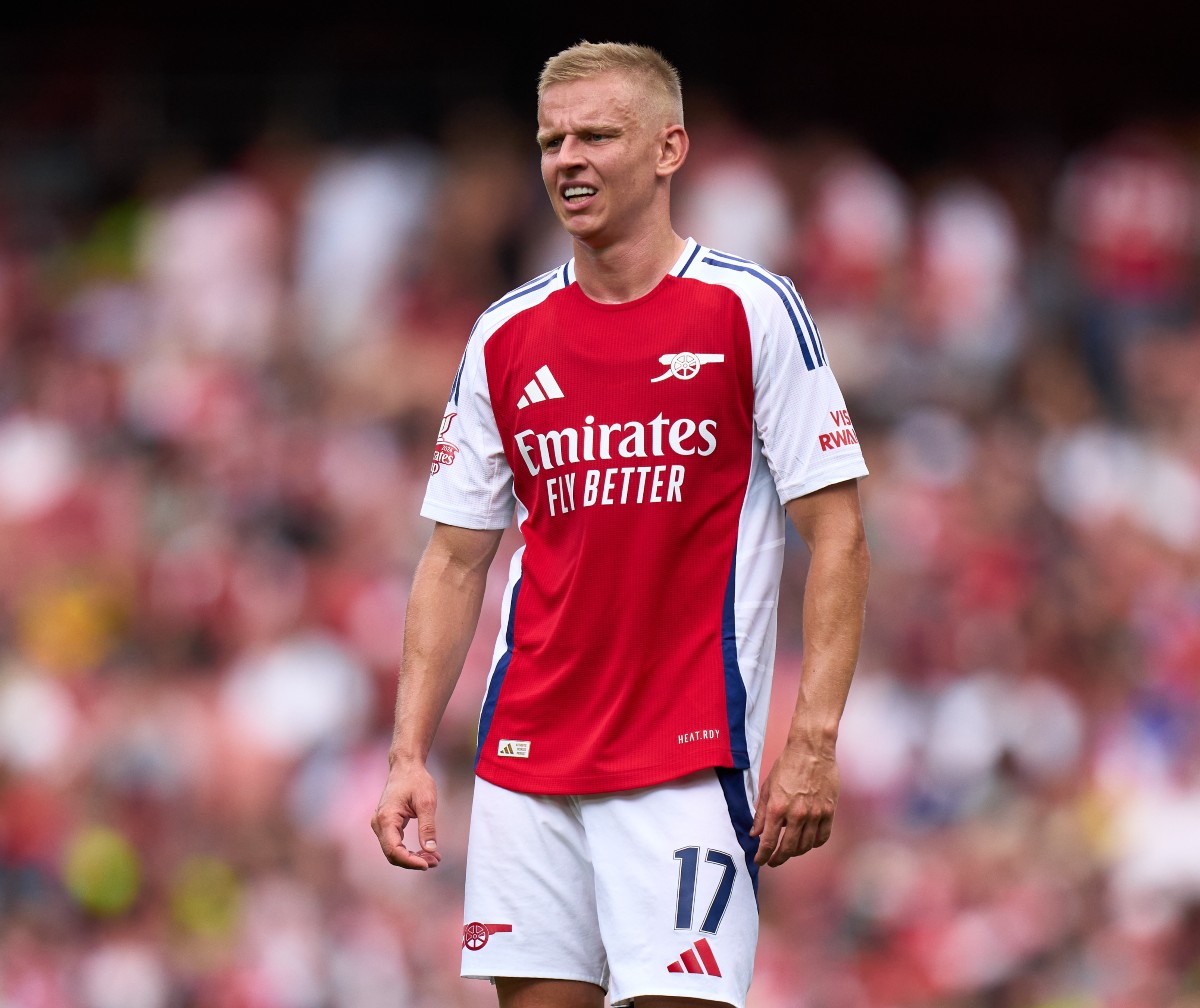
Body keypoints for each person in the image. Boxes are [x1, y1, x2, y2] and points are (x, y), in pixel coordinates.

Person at [372, 41, 870, 1008]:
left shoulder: (751, 311)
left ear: (670, 148)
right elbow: (455, 558)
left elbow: (840, 533)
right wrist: (408, 752)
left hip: (684, 760)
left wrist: (812, 739)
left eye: (598, 134)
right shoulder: (504, 333)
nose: (568, 159)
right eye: (552, 140)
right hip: (526, 758)